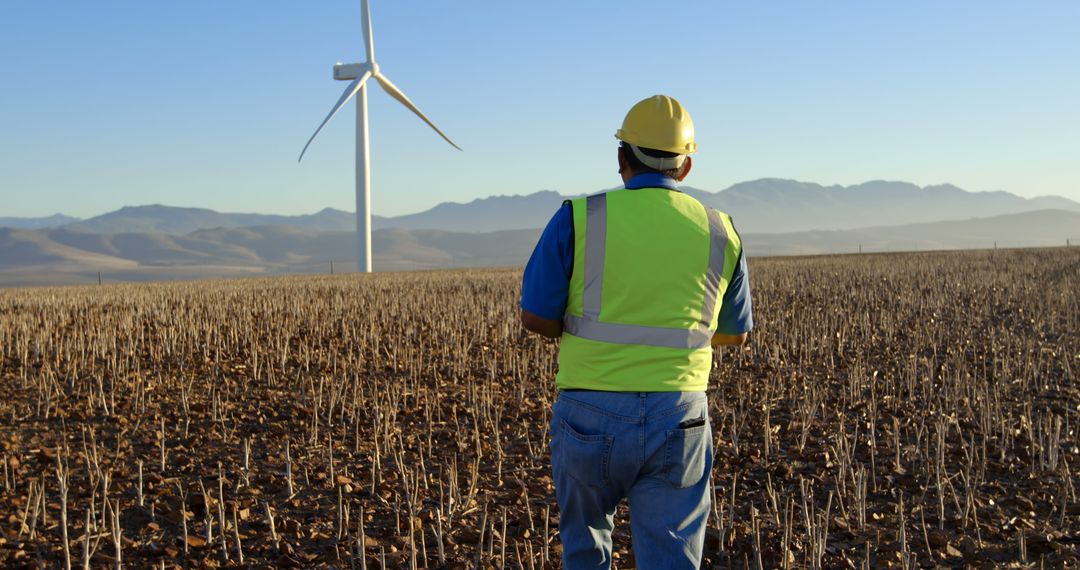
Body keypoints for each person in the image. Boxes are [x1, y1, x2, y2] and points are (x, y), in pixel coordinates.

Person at [519, 95, 754, 569]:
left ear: (621, 157)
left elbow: (535, 315)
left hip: (588, 411)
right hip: (680, 415)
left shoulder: (579, 216)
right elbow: (734, 334)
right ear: (685, 168)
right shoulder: (720, 230)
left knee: (585, 555)